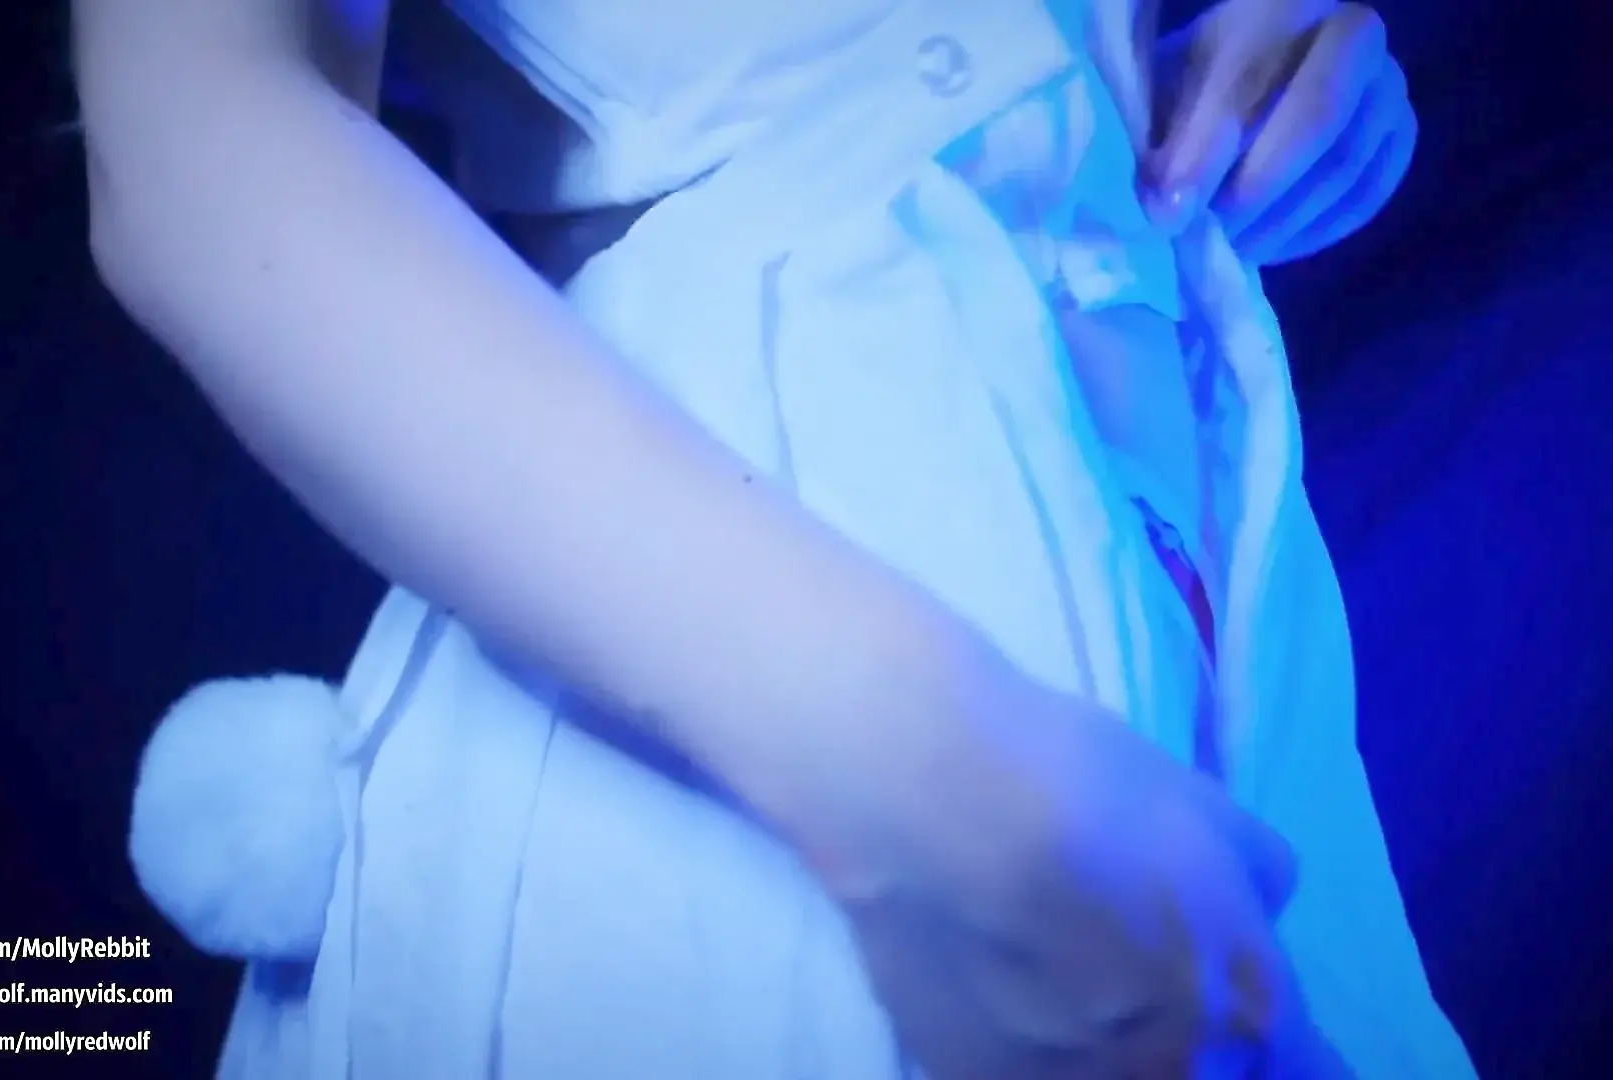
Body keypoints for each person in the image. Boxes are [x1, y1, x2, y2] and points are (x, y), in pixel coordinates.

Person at [78, 0, 1477, 1075]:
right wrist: (925, 778)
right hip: (784, 681)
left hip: (1203, 615)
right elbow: (199, 140)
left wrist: (1229, 53)